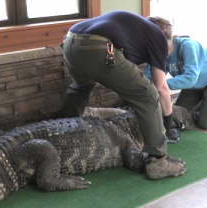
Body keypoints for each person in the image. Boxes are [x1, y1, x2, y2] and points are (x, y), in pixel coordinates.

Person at [58, 10, 186, 180]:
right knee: (147, 95)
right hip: (99, 46)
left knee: (81, 87)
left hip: (70, 42)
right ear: (164, 34)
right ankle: (158, 161)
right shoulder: (159, 36)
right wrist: (167, 122)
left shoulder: (133, 27)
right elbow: (161, 87)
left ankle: (60, 133)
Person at [144, 36, 207, 130]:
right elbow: (148, 76)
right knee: (180, 112)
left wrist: (161, 85)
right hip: (195, 86)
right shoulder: (159, 55)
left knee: (204, 123)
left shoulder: (188, 46)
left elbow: (190, 78)